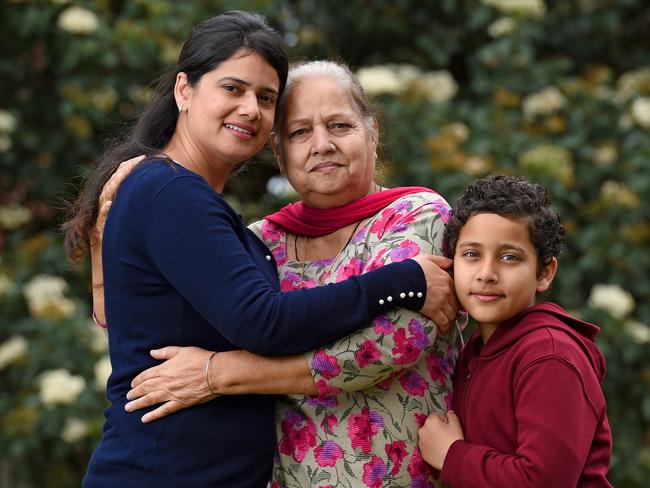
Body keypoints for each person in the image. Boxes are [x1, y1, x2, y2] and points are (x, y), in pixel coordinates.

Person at [63, 12, 458, 488]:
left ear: (372, 132)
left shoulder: (217, 218)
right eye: (233, 88)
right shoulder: (186, 199)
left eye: (265, 97)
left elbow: (392, 341)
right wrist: (406, 281)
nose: (249, 108)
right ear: (184, 90)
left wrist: (221, 372)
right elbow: (265, 321)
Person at [417, 175, 613, 487]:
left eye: (509, 257)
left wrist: (452, 455)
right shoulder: (476, 351)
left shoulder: (550, 355)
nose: (487, 274)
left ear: (544, 273)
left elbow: (542, 480)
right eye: (472, 254)